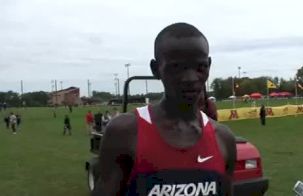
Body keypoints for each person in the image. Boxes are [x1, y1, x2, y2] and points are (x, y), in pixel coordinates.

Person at [92, 23, 236, 196]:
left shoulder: (223, 138)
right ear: (155, 69)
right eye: (176, 67)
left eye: (200, 67)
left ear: (209, 66)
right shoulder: (125, 132)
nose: (190, 78)